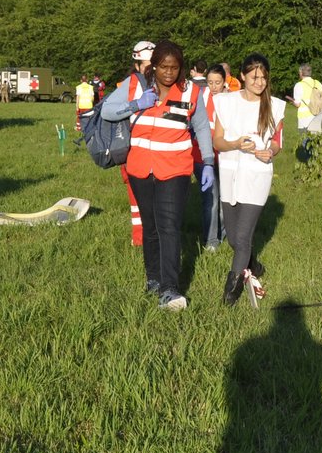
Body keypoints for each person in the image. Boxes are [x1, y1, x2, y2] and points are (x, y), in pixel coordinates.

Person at [100, 39, 215, 310]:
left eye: (174, 67)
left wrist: (208, 162)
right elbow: (106, 111)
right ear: (154, 66)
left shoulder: (190, 93)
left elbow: (202, 129)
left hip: (175, 168)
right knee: (150, 228)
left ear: (181, 68)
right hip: (140, 168)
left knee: (169, 226)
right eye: (163, 66)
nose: (168, 72)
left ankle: (170, 288)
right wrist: (135, 104)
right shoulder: (134, 86)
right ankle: (152, 279)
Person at [212, 54, 285, 305]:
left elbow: (278, 142)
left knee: (242, 239)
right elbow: (217, 142)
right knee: (233, 239)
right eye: (254, 77)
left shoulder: (275, 106)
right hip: (230, 175)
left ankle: (230, 293)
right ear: (242, 76)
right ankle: (253, 265)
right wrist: (234, 144)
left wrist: (270, 151)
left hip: (257, 176)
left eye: (264, 77)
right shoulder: (225, 102)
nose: (260, 82)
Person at [117, 41, 157, 246]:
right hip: (134, 151)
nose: (152, 69)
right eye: (148, 65)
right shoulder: (129, 85)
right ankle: (139, 238)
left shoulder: (163, 83)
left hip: (158, 152)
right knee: (136, 198)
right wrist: (136, 105)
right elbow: (109, 111)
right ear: (137, 65)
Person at [196, 65, 226, 251]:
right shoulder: (200, 97)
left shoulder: (232, 100)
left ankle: (222, 233)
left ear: (225, 82)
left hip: (225, 156)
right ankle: (210, 241)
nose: (214, 86)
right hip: (202, 156)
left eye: (218, 82)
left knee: (226, 198)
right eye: (210, 82)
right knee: (211, 198)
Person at [293, 63, 322, 132]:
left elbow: (297, 104)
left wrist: (293, 102)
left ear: (301, 72)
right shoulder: (318, 83)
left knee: (305, 141)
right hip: (318, 118)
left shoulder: (299, 85)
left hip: (305, 120)